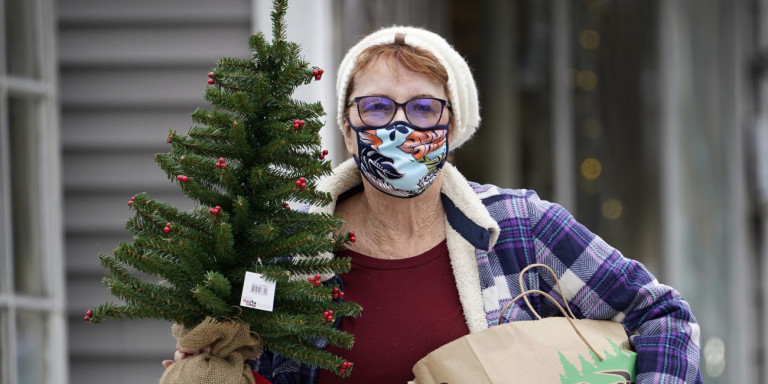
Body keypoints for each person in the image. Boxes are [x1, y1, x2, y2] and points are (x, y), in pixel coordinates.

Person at [164, 26, 703, 384]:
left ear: (452, 128)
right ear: (349, 131)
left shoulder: (518, 229)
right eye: (375, 107)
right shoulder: (283, 252)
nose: (398, 127)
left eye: (423, 108)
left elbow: (663, 316)